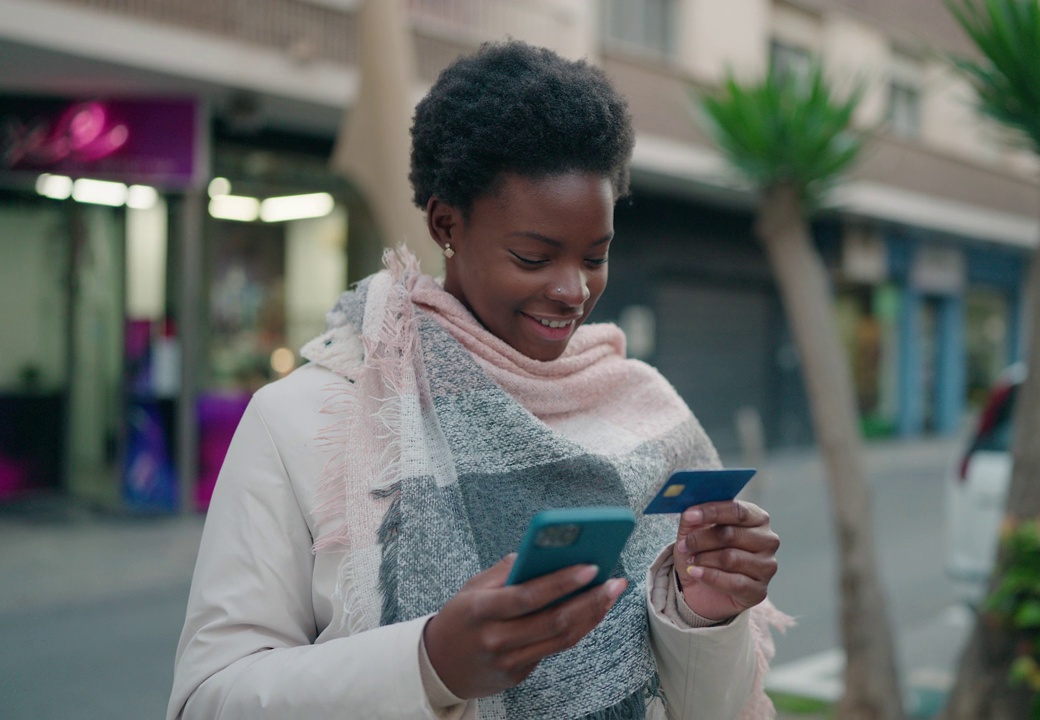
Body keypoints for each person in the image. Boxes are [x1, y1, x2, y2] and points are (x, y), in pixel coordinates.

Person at [169, 41, 788, 720]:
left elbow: (713, 710)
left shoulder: (642, 410)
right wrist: (430, 664)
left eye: (596, 256)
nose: (572, 290)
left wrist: (702, 617)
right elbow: (207, 700)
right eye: (532, 256)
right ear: (445, 225)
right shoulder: (309, 419)